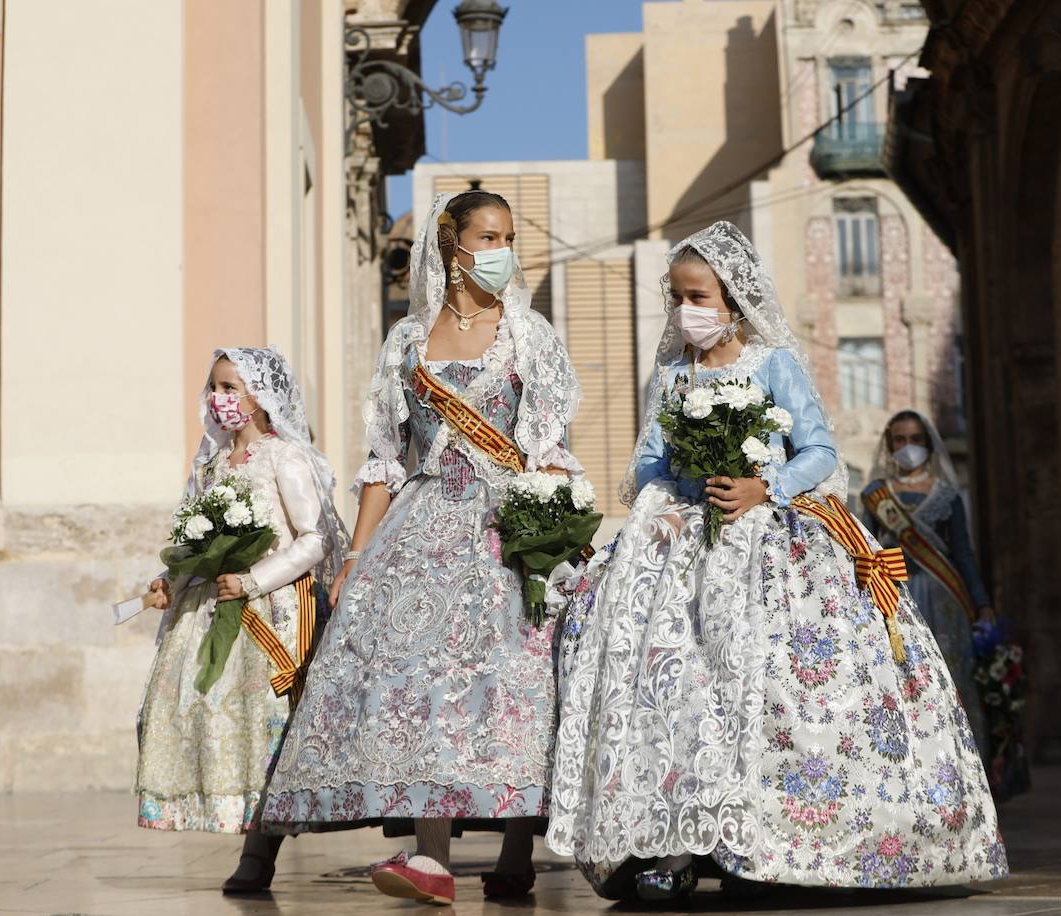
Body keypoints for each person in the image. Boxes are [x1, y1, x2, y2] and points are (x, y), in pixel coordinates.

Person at [548, 222, 1007, 901]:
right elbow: (648, 464)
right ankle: (673, 848)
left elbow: (820, 452)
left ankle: (767, 844)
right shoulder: (672, 374)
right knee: (676, 690)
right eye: (675, 297)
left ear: (732, 297)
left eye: (696, 295)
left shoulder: (772, 365)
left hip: (771, 545)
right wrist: (677, 478)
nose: (685, 311)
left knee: (767, 688)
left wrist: (766, 485)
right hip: (681, 550)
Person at [261, 191, 584, 906]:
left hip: (509, 526)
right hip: (423, 522)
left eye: (507, 236)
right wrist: (353, 560)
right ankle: (430, 858)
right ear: (452, 246)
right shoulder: (407, 342)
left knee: (513, 684)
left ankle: (515, 847)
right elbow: (383, 458)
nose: (501, 250)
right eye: (488, 236)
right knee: (422, 683)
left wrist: (554, 533)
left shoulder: (530, 336)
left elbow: (552, 448)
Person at [134, 347, 345, 894]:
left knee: (264, 728)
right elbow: (195, 540)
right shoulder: (209, 463)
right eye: (214, 387)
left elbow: (314, 538)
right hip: (210, 610)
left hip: (269, 613)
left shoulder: (285, 459)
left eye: (230, 387)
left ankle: (259, 853)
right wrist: (170, 579)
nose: (218, 398)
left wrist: (254, 580)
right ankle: (241, 830)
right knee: (211, 720)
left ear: (259, 396)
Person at [860, 410, 993, 747]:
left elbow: (963, 554)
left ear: (929, 445)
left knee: (951, 677)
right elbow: (864, 550)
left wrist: (982, 604)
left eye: (916, 439)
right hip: (894, 599)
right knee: (902, 679)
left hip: (945, 595)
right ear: (890, 446)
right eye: (901, 440)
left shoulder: (947, 496)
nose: (909, 446)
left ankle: (961, 755)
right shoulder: (876, 495)